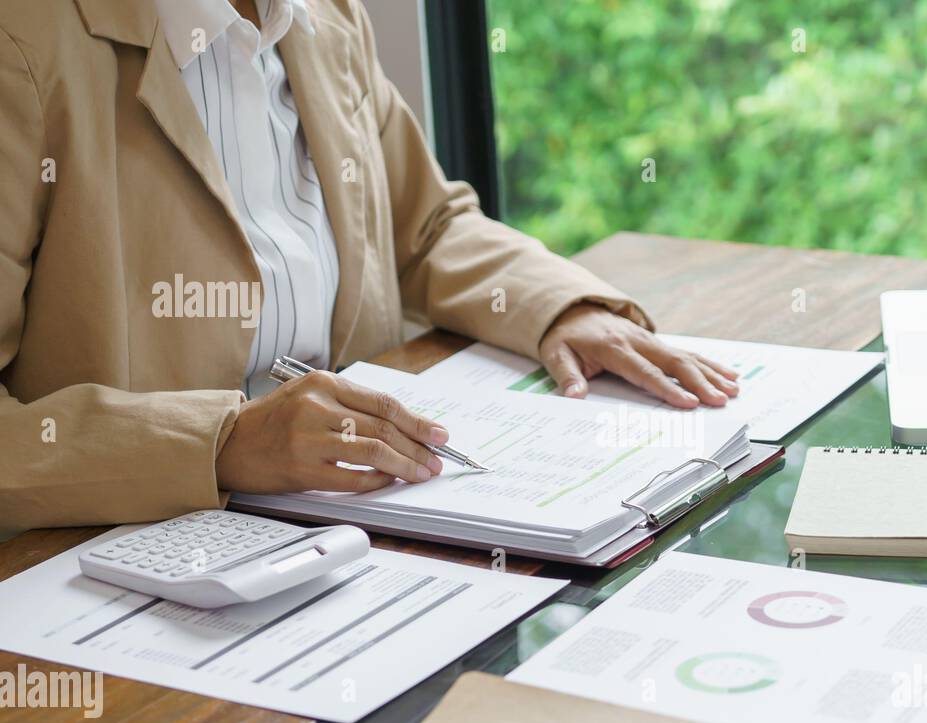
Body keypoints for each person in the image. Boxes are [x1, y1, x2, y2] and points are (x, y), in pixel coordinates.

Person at [0, 0, 738, 535]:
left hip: (355, 527)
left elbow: (424, 226)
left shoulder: (328, 18)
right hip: (123, 556)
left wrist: (562, 307)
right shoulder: (23, 44)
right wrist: (220, 443)